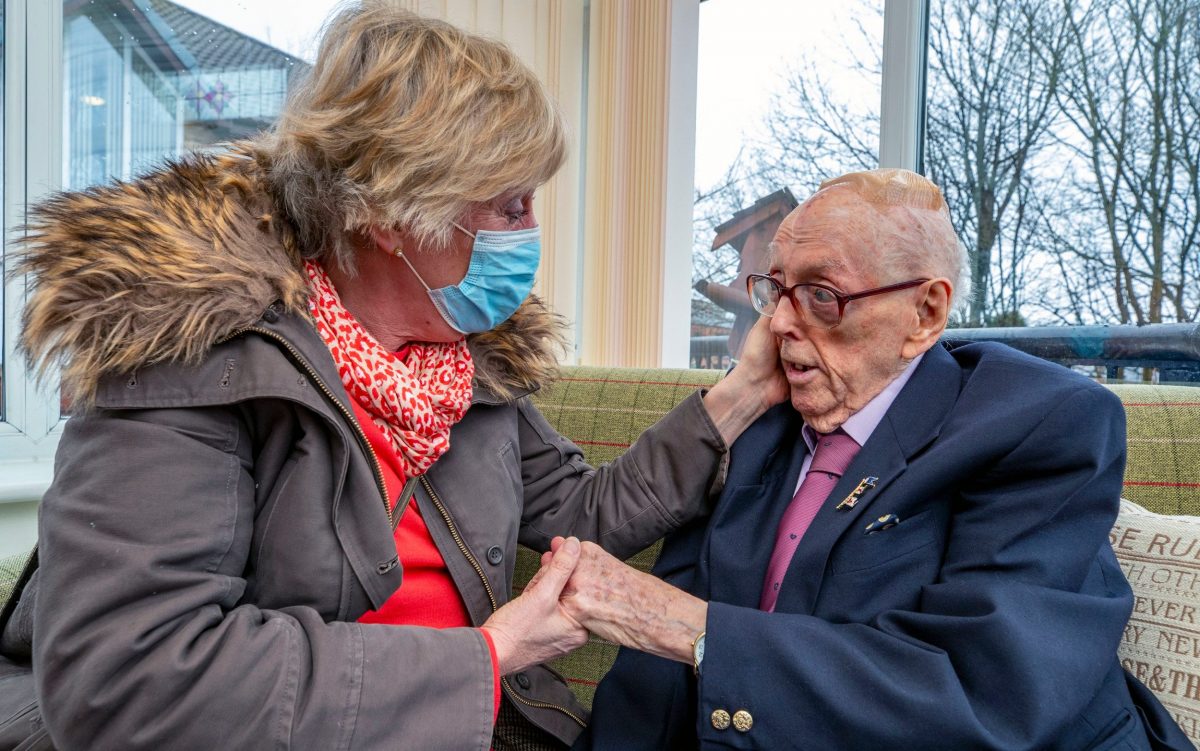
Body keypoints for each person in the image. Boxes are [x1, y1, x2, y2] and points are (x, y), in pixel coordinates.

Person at [11, 5, 782, 749]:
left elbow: (583, 508)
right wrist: (487, 656)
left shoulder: (465, 365)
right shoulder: (197, 354)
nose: (531, 235)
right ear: (391, 213)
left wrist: (742, 391)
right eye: (511, 207)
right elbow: (133, 680)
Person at [565, 169, 1193, 750]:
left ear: (925, 313)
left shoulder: (1040, 423)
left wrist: (695, 630)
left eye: (820, 294)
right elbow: (651, 683)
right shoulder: (761, 418)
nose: (778, 324)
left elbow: (983, 697)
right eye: (776, 289)